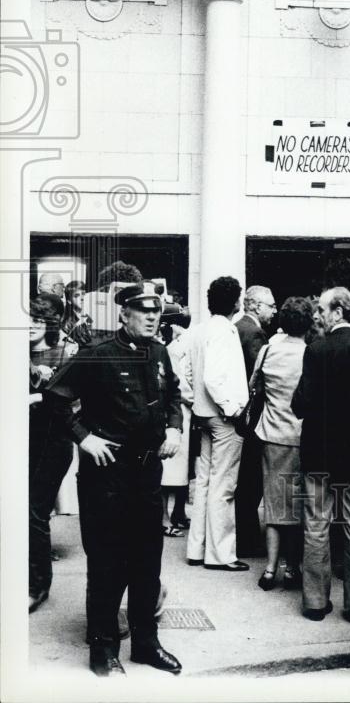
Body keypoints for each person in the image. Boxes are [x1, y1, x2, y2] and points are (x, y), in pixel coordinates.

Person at [47, 281, 183, 677]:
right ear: (123, 314)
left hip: (147, 474)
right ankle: (102, 646)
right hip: (107, 475)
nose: (153, 317)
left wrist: (174, 428)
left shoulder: (159, 352)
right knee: (107, 562)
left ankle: (145, 642)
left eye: (156, 311)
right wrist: (84, 437)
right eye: (143, 311)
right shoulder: (98, 355)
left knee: (146, 561)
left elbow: (172, 396)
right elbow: (55, 398)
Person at [291, 287, 350, 622]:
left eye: (323, 310)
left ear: (339, 312)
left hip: (319, 451)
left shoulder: (315, 350)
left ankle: (315, 601)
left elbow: (302, 403)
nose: (318, 315)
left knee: (316, 525)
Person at [184, 276, 249, 572]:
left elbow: (188, 372)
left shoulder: (199, 330)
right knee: (224, 486)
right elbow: (214, 377)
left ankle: (196, 548)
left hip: (202, 413)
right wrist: (232, 409)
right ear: (235, 301)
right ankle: (221, 554)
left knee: (205, 482)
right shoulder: (225, 331)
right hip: (223, 417)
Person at [253, 297, 312, 592]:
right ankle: (293, 568)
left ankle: (269, 569)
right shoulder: (311, 354)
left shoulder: (267, 351)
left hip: (272, 434)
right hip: (303, 436)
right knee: (300, 505)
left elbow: (255, 387)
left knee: (274, 504)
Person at [28, 295, 77, 613]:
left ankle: (37, 585)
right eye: (29, 317)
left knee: (34, 511)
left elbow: (70, 406)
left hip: (54, 442)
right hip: (23, 442)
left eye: (39, 318)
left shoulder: (68, 352)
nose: (31, 324)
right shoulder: (16, 352)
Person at [234, 284, 277, 557]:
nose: (274, 310)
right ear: (256, 306)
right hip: (253, 417)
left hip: (239, 416)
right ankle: (248, 540)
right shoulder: (255, 333)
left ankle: (245, 537)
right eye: (271, 305)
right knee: (251, 482)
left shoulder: (238, 327)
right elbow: (260, 376)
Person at [160, 313, 193, 536]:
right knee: (169, 467)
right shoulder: (169, 349)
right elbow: (177, 385)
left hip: (187, 411)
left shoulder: (178, 346)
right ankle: (164, 517)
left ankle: (178, 512)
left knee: (184, 467)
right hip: (175, 410)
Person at [62, 279, 92, 347]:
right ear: (69, 300)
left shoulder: (94, 315)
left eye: (84, 294)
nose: (82, 298)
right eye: (76, 296)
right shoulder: (67, 324)